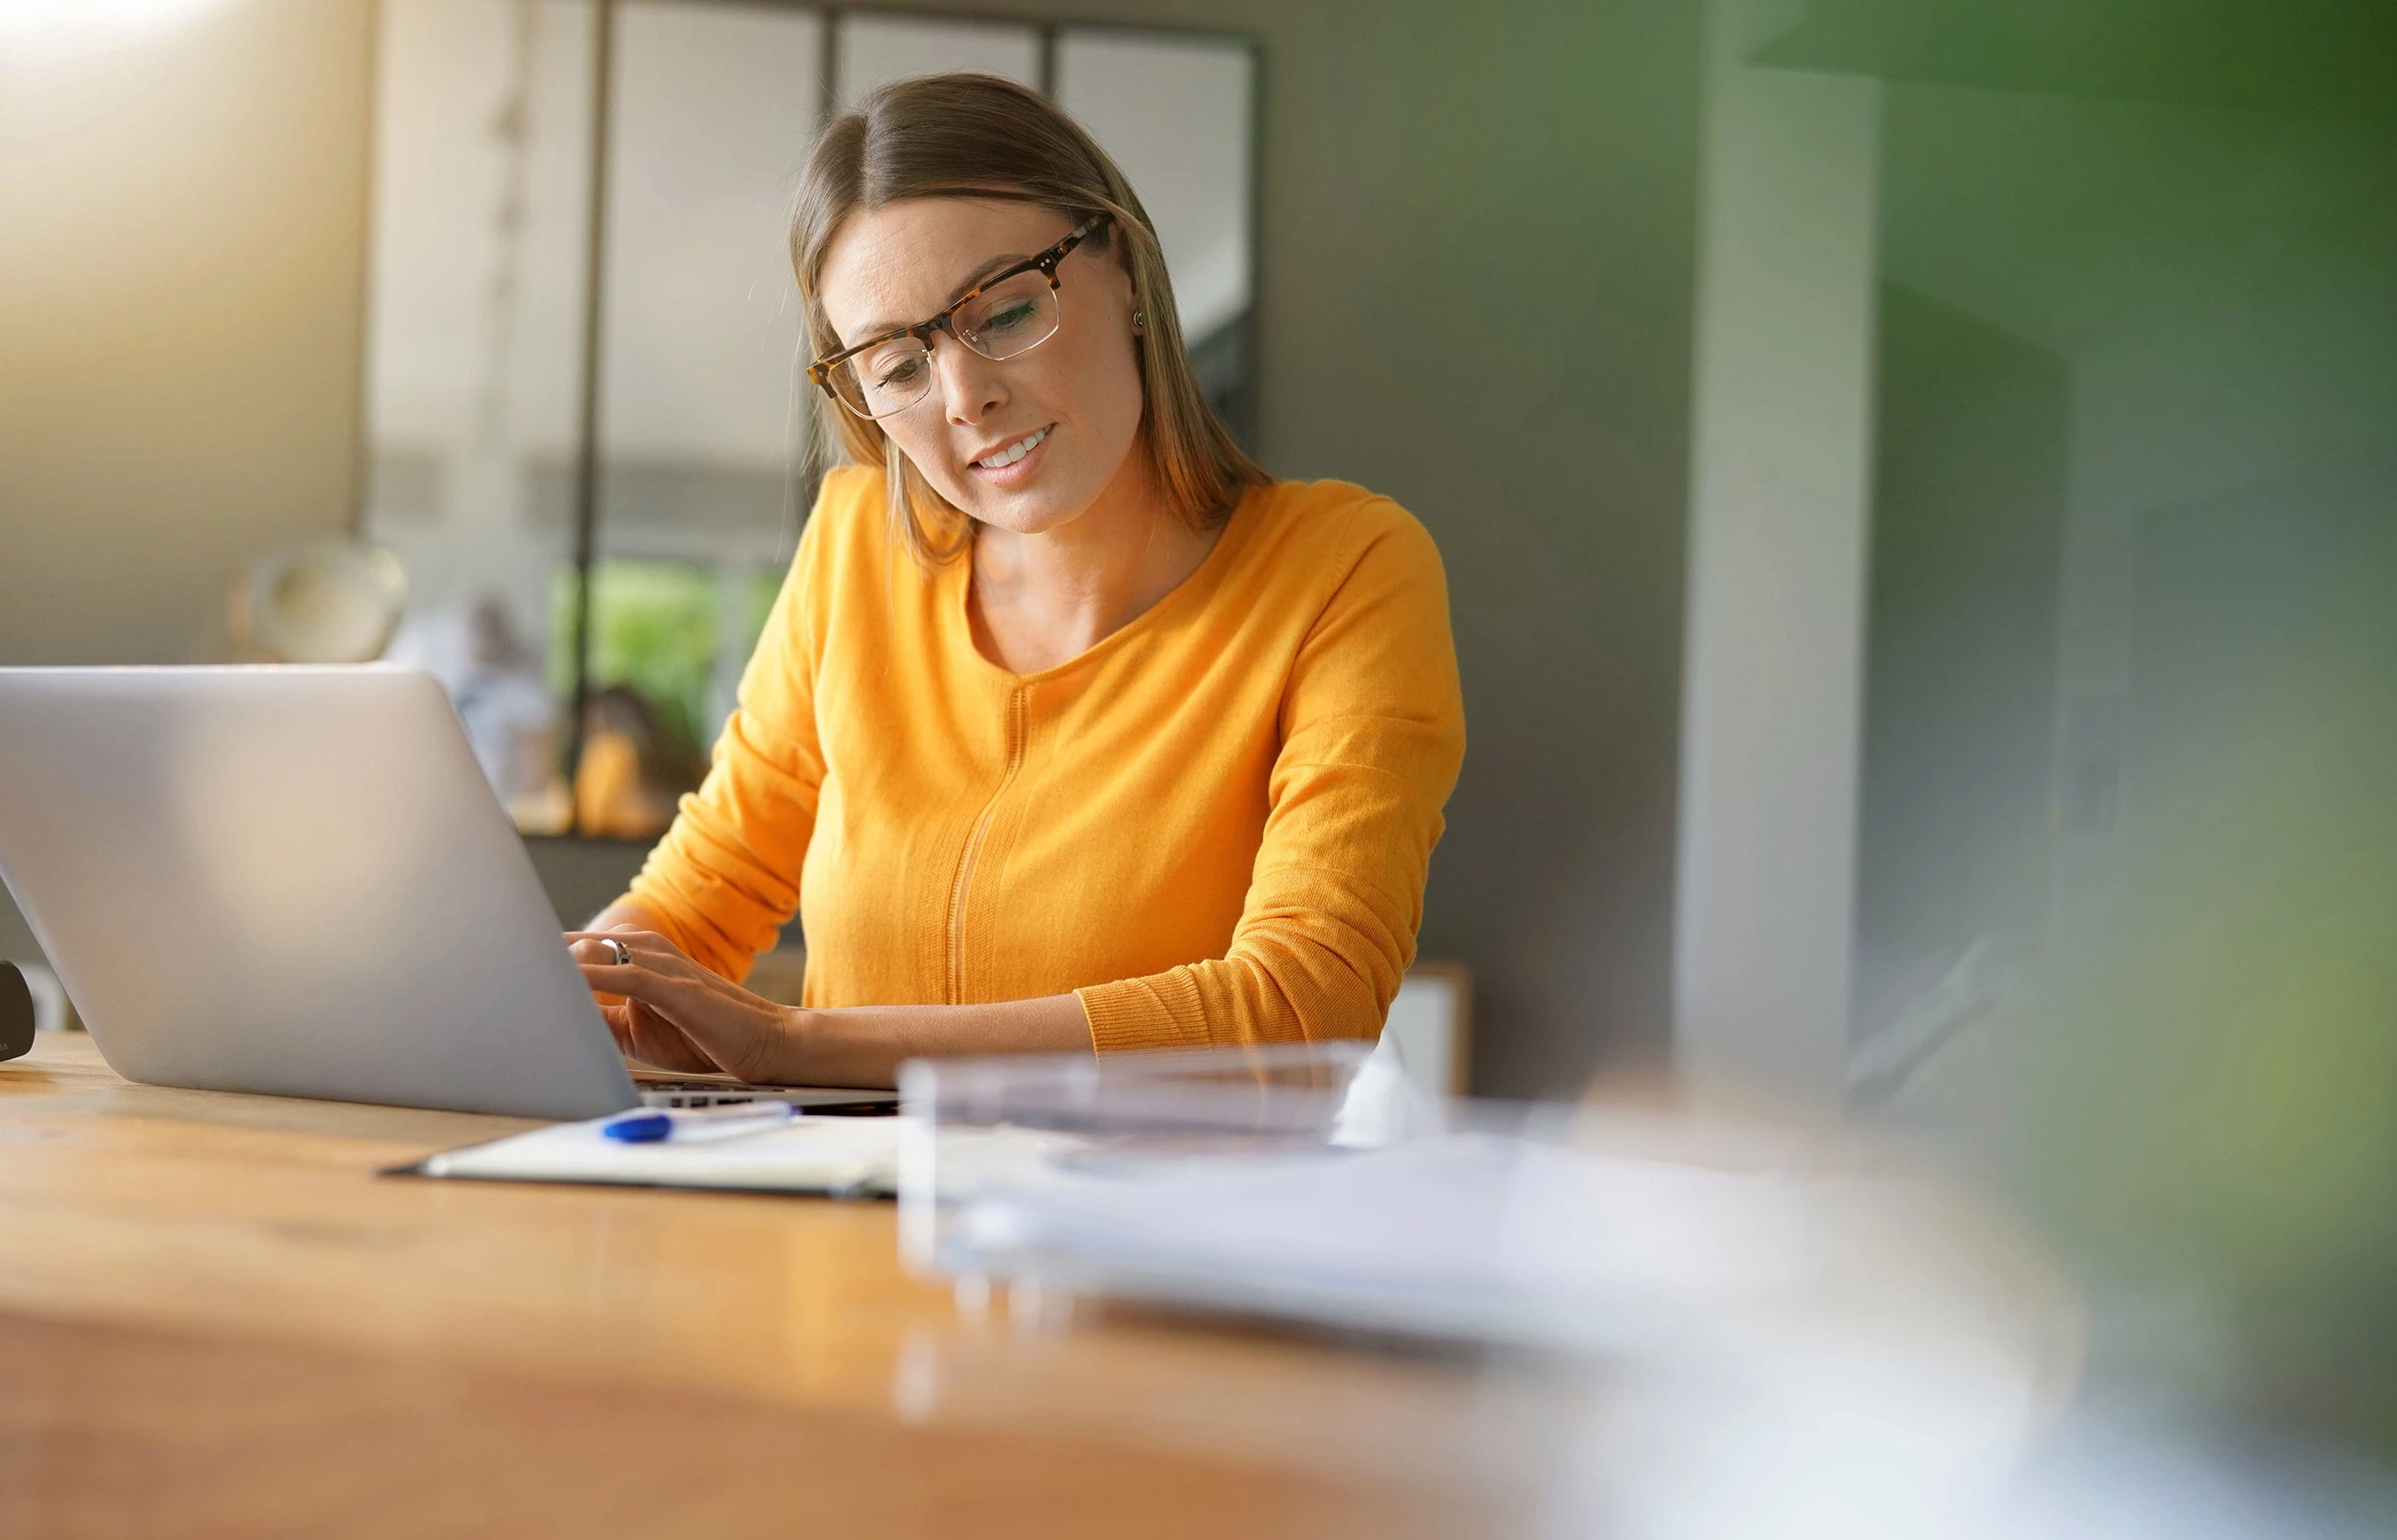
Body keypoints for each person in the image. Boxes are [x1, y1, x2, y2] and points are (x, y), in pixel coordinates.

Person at [566, 74, 1464, 1088]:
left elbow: (1306, 1006)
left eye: (1002, 313)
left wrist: (796, 1046)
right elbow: (707, 887)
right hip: (838, 1183)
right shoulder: (856, 544)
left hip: (1145, 1192)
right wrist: (564, 989)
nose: (964, 397)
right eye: (897, 366)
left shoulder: (1345, 568)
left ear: (1122, 268)